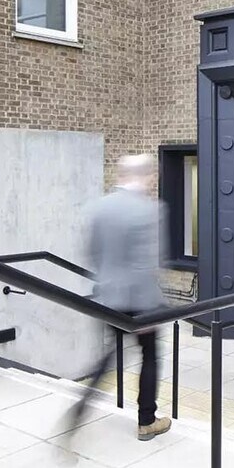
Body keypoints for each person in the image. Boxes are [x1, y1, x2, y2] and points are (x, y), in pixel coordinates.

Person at [66, 154, 172, 442]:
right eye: (152, 175)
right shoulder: (151, 210)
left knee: (110, 356)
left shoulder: (99, 208)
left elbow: (91, 252)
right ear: (147, 175)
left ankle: (81, 406)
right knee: (149, 355)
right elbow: (151, 261)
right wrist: (149, 305)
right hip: (140, 301)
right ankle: (147, 421)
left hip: (108, 297)